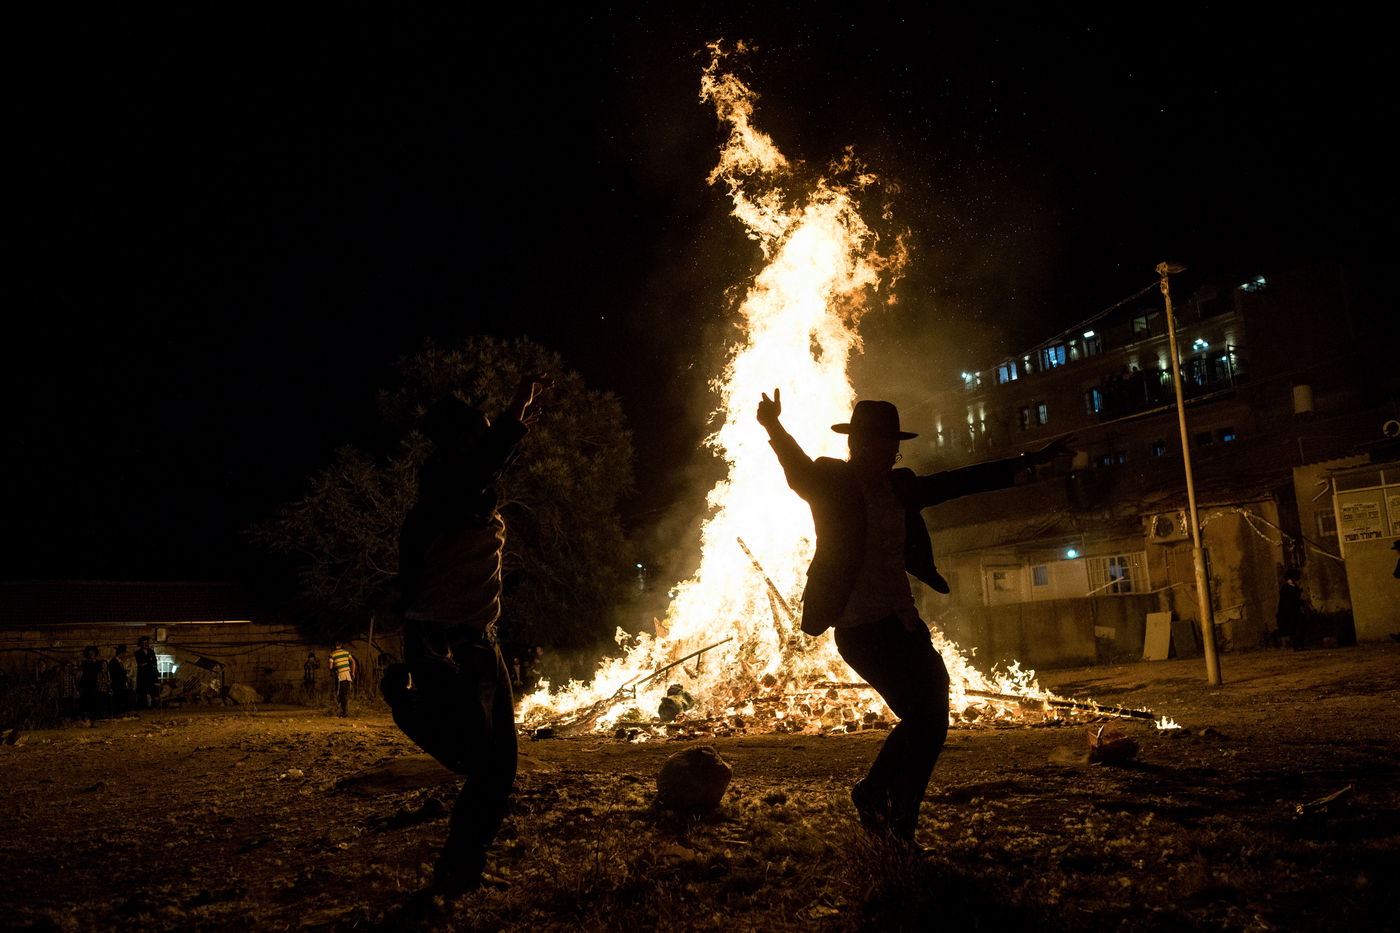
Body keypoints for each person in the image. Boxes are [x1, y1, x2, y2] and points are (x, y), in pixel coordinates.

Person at [756, 390, 1069, 843]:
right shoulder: (829, 482)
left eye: (891, 447)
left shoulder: (900, 486)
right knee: (923, 718)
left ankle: (896, 817)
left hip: (901, 619)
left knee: (933, 717)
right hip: (860, 626)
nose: (884, 454)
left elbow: (961, 481)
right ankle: (876, 798)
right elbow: (795, 465)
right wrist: (772, 425)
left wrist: (1031, 461)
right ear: (854, 444)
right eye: (874, 445)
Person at [382, 372, 545, 895]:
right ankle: (407, 707)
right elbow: (485, 458)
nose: (488, 431)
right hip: (446, 643)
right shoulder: (446, 487)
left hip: (473, 640)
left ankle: (460, 868)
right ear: (459, 440)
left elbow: (486, 461)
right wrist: (518, 404)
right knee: (478, 760)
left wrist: (511, 423)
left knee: (498, 767)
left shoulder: (457, 491)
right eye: (480, 427)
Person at [1276, 568, 1310, 651]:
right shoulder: (1286, 588)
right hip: (1288, 612)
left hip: (1295, 610)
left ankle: (1299, 645)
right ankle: (1296, 646)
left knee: (1301, 626)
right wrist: (1300, 603)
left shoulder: (1295, 586)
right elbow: (1289, 601)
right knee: (1294, 628)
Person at [79, 645, 112, 721]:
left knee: (95, 701)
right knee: (87, 701)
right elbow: (83, 673)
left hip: (96, 684)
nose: (91, 654)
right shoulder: (85, 663)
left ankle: (96, 716)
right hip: (87, 684)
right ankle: (86, 716)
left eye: (92, 653)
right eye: (89, 653)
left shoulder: (98, 663)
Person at [327, 643, 356, 716]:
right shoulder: (346, 652)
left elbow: (330, 667)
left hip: (340, 676)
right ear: (341, 645)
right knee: (345, 693)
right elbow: (353, 662)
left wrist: (332, 671)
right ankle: (344, 711)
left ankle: (343, 712)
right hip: (348, 676)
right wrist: (352, 672)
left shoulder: (332, 654)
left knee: (340, 693)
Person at [134, 636, 159, 709]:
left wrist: (148, 664)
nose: (146, 644)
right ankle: (143, 706)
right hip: (143, 676)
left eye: (146, 642)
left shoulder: (151, 652)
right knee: (143, 692)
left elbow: (154, 663)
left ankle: (152, 706)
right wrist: (148, 662)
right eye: (144, 643)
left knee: (152, 691)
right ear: (141, 644)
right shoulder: (138, 653)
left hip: (151, 676)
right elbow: (140, 664)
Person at [108, 645, 132, 713]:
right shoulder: (113, 662)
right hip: (117, 684)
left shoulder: (119, 662)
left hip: (121, 684)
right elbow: (115, 674)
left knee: (121, 698)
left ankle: (120, 711)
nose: (125, 655)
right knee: (117, 699)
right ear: (121, 653)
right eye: (124, 653)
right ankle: (117, 712)